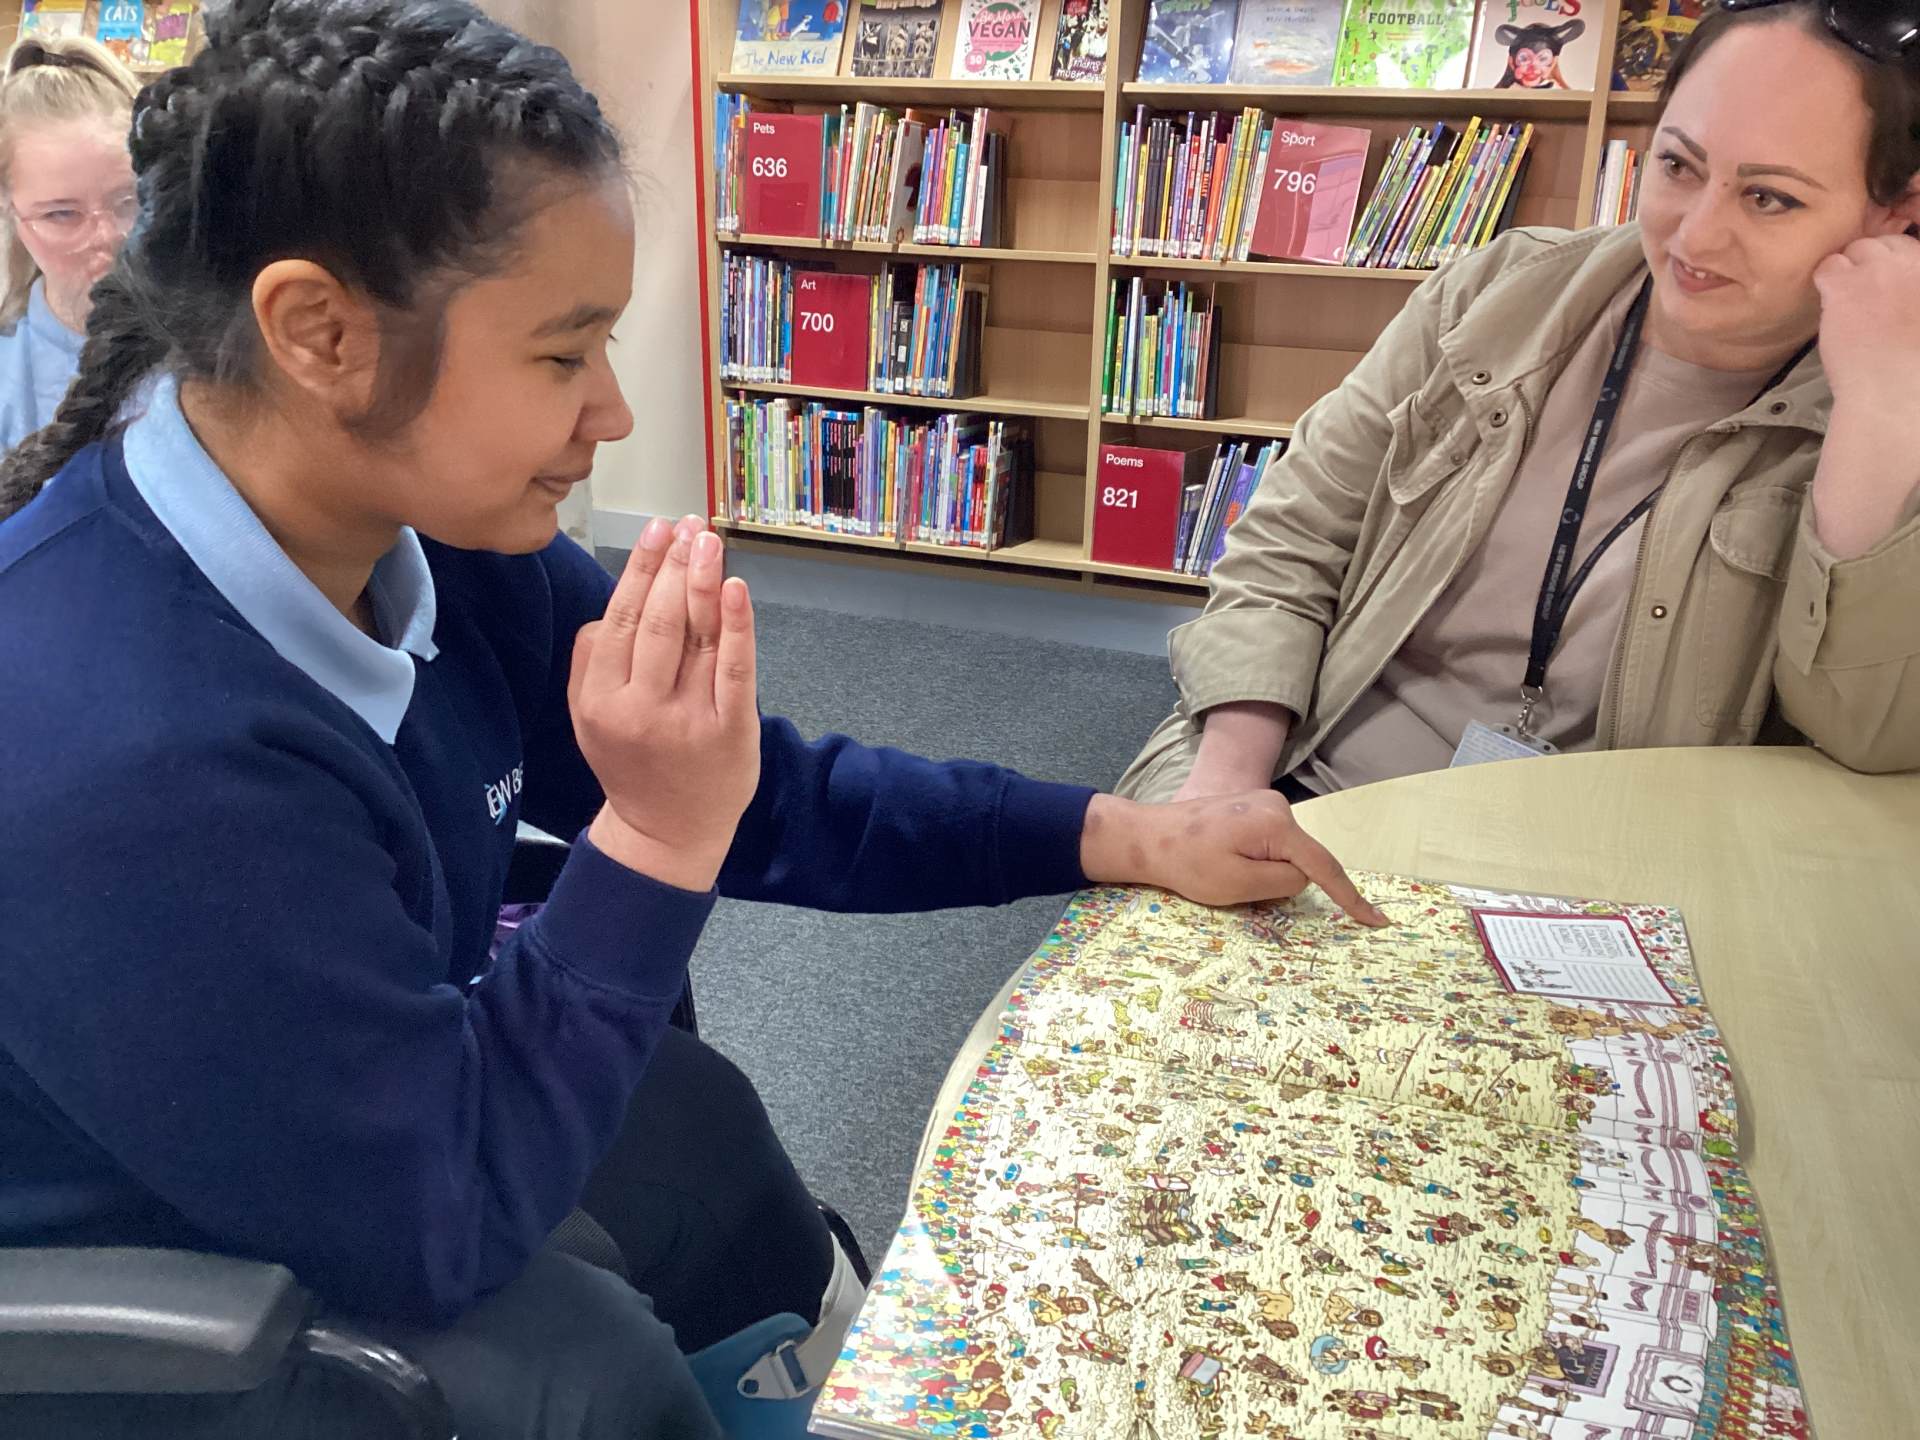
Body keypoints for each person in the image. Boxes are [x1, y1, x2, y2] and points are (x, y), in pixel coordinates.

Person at [0, 3, 1385, 1438]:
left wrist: (1121, 833)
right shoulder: (123, 745)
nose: (611, 411)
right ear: (321, 333)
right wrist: (655, 841)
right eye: (563, 355)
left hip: (344, 1103)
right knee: (585, 1367)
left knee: (693, 1124)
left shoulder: (427, 543)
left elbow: (765, 796)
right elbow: (437, 1219)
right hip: (148, 1277)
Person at [1120, 0, 1920, 809]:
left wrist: (1880, 413)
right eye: (1678, 165)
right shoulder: (1499, 292)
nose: (1695, 237)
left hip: (1596, 853)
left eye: (1769, 198)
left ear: (1896, 216)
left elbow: (1866, 737)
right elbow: (1294, 534)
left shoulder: (1891, 410)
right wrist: (1228, 782)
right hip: (1307, 773)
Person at [0, 33, 138, 452]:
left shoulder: (220, 344)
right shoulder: (10, 378)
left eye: (129, 201)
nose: (108, 237)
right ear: (11, 213)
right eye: (61, 214)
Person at [1492, 19, 1587, 89]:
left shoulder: (1559, 94)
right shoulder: (1505, 94)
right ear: (1511, 62)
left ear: (1553, 62)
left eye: (1543, 59)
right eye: (1524, 59)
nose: (1533, 68)